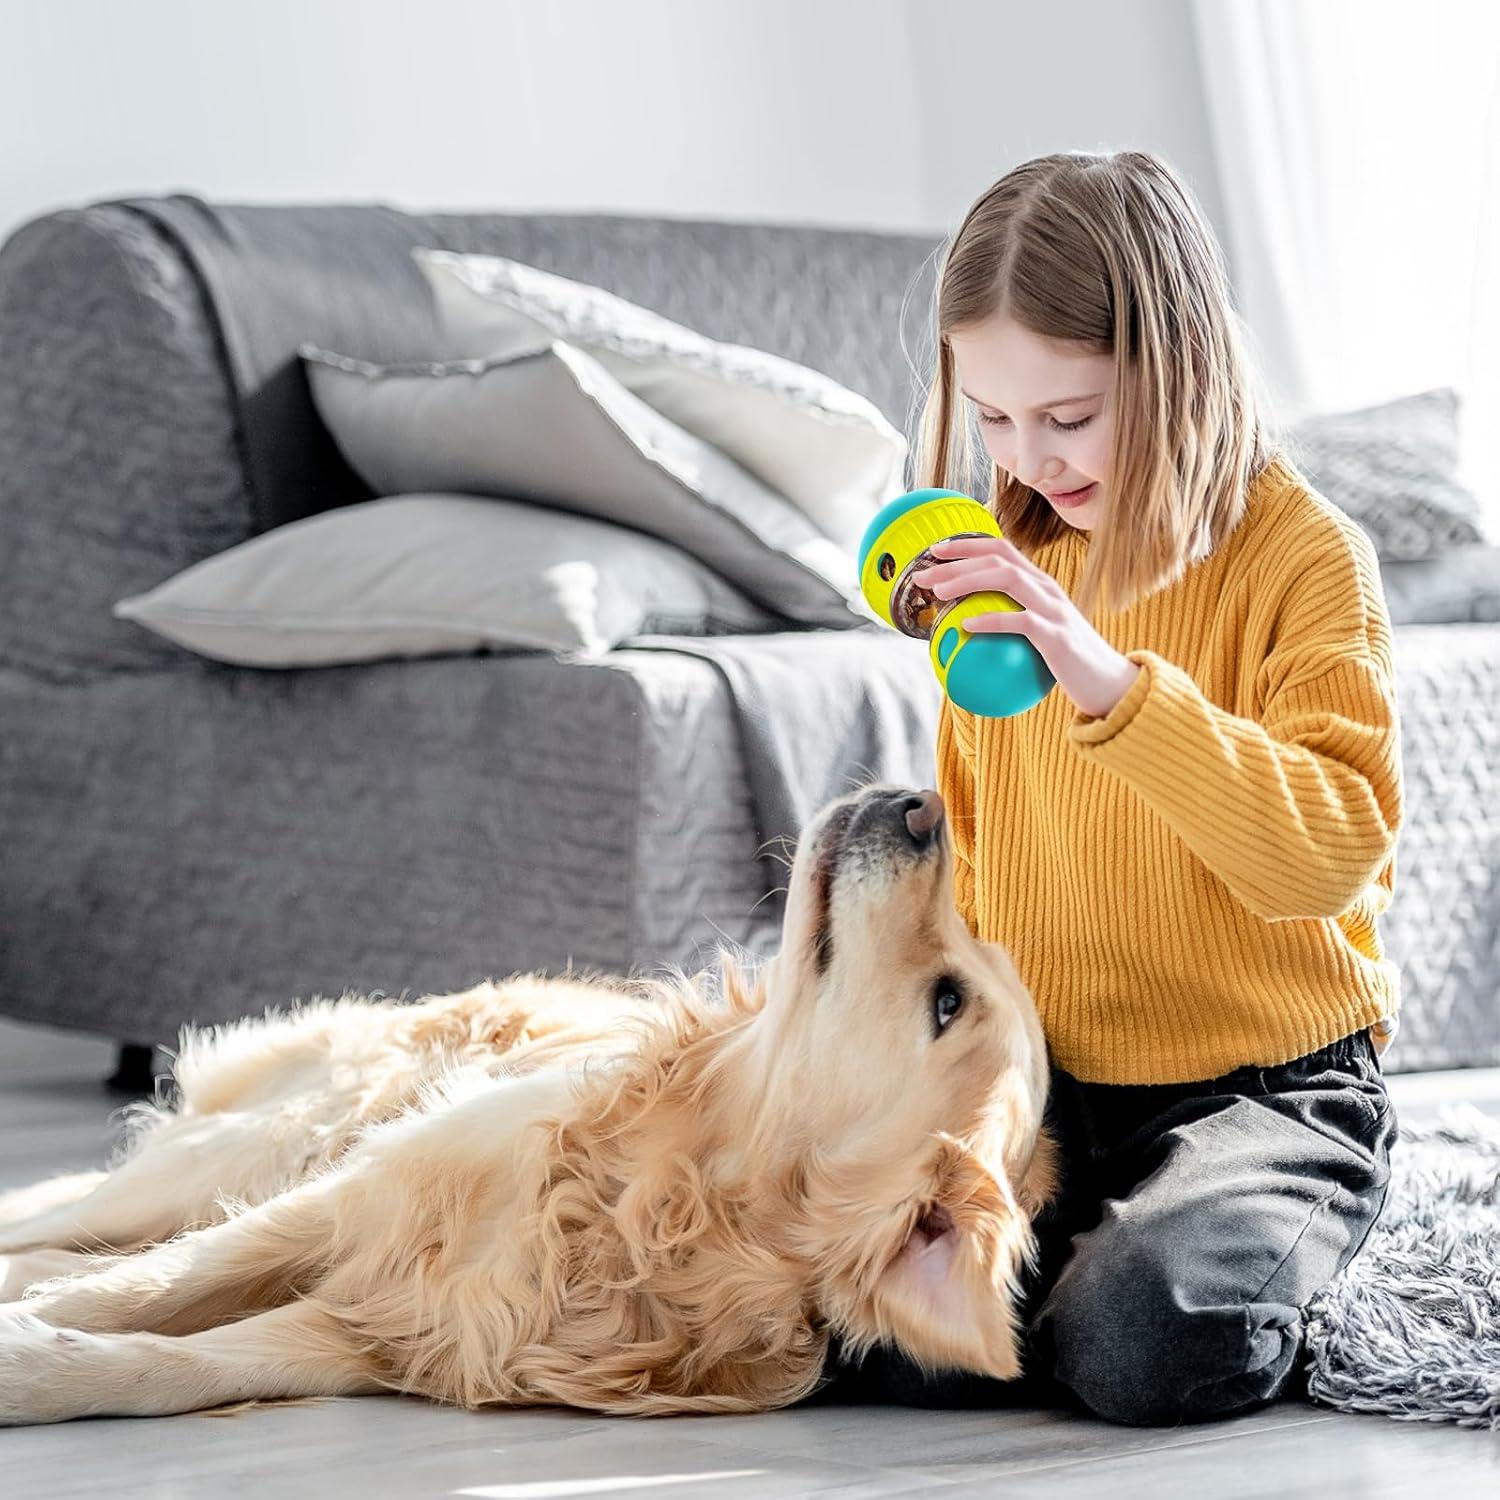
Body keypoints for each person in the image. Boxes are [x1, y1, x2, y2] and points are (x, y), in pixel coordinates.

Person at [812, 149, 1402, 1427]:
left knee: (1140, 1338)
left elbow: (1330, 852)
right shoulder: (1009, 552)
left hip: (1263, 1082)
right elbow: (993, 853)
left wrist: (1101, 676)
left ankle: (1268, 1244)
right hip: (1049, 1085)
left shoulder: (1305, 563)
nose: (1028, 459)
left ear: (1176, 364)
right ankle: (1080, 1281)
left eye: (1068, 417)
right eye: (997, 419)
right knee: (831, 1307)